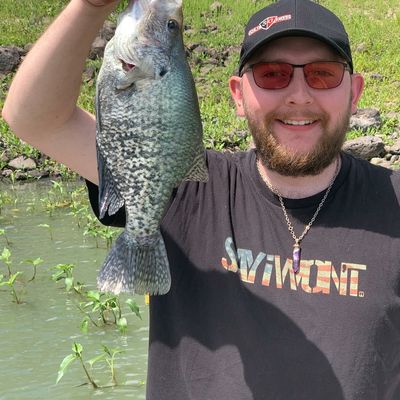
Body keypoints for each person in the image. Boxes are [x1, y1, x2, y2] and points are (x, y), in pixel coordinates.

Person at [3, 0, 400, 398]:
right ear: (238, 94)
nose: (299, 95)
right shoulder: (185, 186)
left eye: (323, 74)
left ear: (354, 92)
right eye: (272, 74)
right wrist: (90, 7)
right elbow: (35, 120)